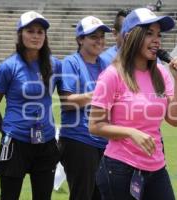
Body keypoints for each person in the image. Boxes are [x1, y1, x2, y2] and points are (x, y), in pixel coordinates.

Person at [89, 8, 177, 200]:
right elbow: (95, 125)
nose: (157, 39)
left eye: (159, 34)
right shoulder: (112, 75)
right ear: (131, 37)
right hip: (119, 169)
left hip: (156, 167)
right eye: (149, 33)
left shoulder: (161, 72)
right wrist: (131, 132)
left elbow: (175, 120)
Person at [0, 11, 61, 200]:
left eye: (40, 32)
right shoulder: (8, 67)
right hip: (15, 142)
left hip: (46, 141)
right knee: (9, 196)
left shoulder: (54, 65)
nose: (36, 36)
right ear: (20, 34)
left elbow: (69, 95)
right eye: (30, 31)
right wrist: (7, 131)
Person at [58, 16, 111, 200]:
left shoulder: (105, 64)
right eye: (93, 36)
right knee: (82, 195)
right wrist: (98, 94)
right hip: (78, 139)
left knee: (102, 194)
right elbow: (67, 101)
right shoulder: (71, 62)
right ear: (80, 39)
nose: (100, 40)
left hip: (103, 140)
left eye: (102, 36)